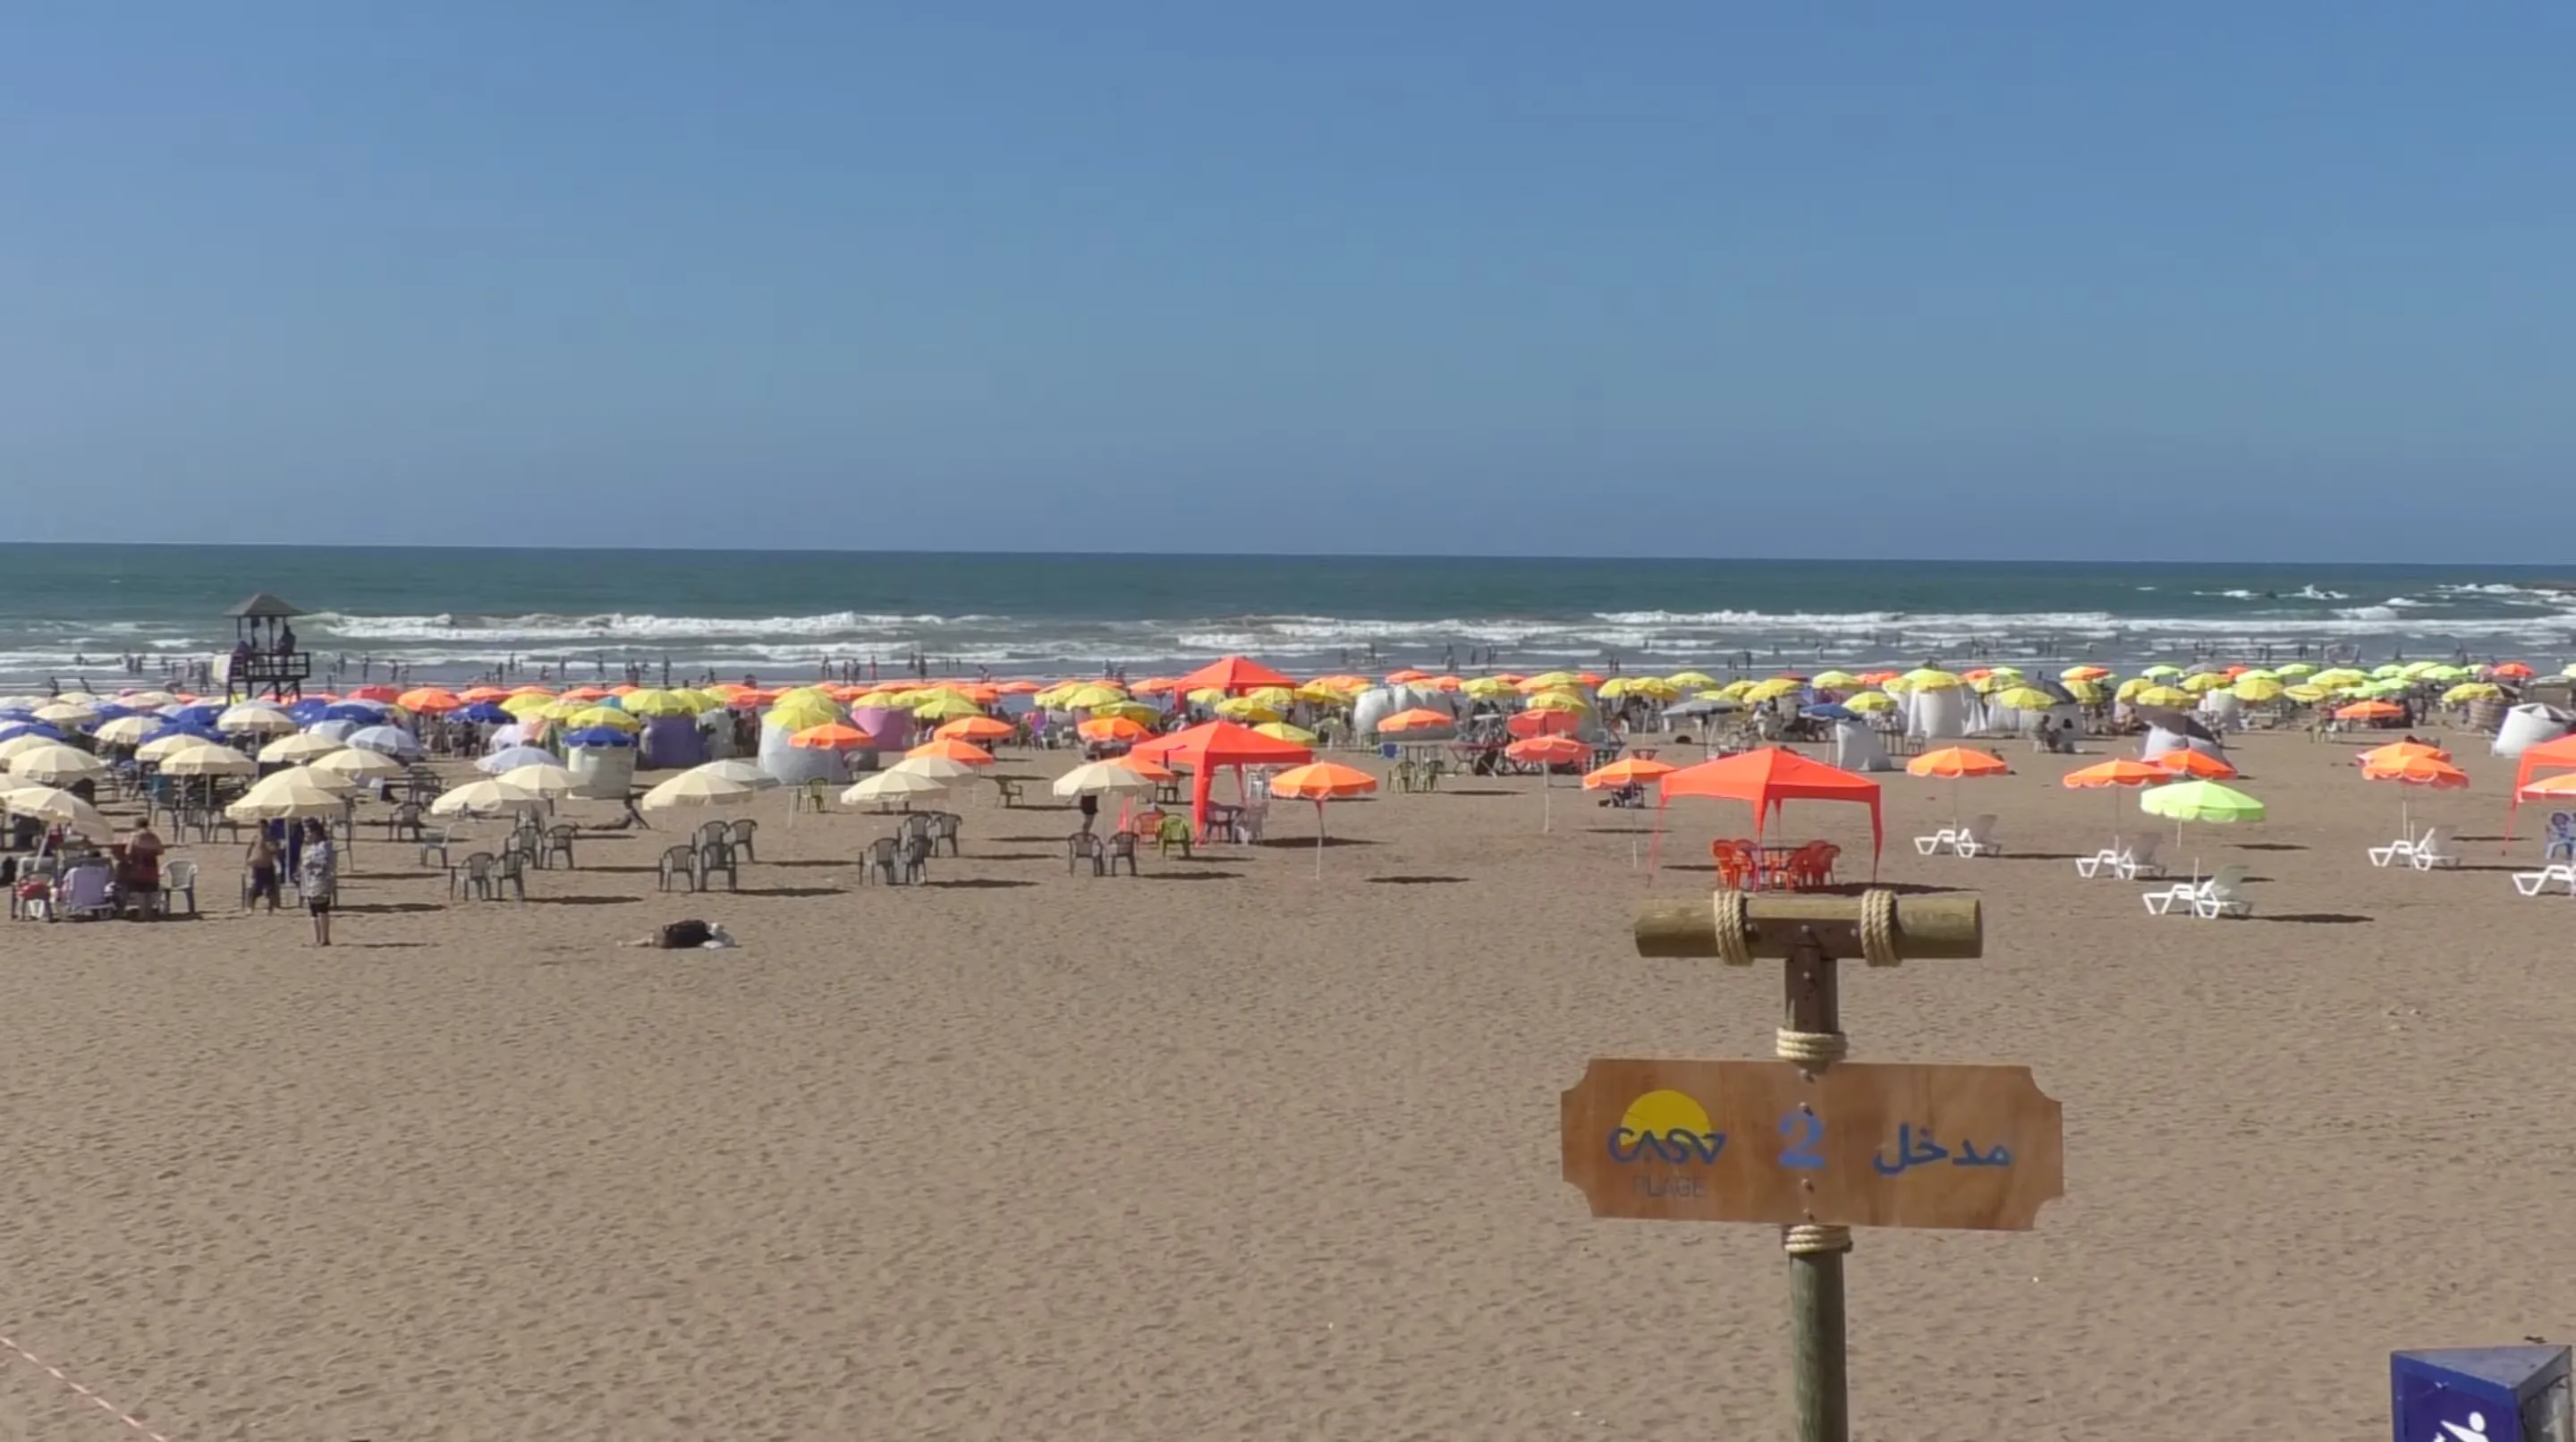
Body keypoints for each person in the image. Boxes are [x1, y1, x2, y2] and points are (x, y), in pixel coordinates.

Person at [297, 819, 335, 946]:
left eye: (309, 832)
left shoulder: (325, 845)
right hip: (309, 880)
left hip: (320, 880)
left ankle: (325, 938)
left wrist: (311, 863)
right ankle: (317, 938)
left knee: (321, 908)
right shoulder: (310, 847)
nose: (307, 835)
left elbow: (326, 861)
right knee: (313, 909)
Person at [119, 821, 165, 916]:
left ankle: (142, 913)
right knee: (149, 889)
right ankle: (149, 911)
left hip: (139, 865)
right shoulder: (153, 836)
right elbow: (161, 850)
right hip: (152, 865)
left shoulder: (135, 836)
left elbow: (128, 852)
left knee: (140, 890)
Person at [243, 830, 283, 912]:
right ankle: (250, 907)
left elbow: (276, 851)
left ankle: (269, 908)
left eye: (264, 827)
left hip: (268, 865)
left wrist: (274, 848)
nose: (262, 829)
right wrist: (248, 859)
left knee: (270, 888)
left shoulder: (271, 838)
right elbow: (250, 848)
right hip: (258, 865)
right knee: (256, 888)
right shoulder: (255, 837)